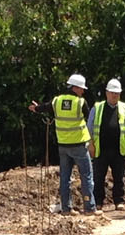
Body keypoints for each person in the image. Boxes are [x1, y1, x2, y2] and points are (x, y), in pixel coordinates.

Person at [28, 74, 95, 214]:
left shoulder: (56, 101)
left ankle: (66, 208)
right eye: (81, 88)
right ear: (75, 88)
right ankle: (89, 207)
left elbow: (44, 107)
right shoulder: (80, 102)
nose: (83, 91)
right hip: (79, 145)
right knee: (86, 175)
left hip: (63, 145)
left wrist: (36, 108)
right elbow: (88, 118)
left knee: (65, 178)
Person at [90, 79, 125, 211]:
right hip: (101, 149)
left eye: (117, 93)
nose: (114, 95)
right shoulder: (97, 108)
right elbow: (90, 127)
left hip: (118, 149)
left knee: (119, 177)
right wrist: (90, 145)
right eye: (112, 93)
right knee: (98, 177)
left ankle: (118, 201)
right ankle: (98, 202)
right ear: (106, 93)